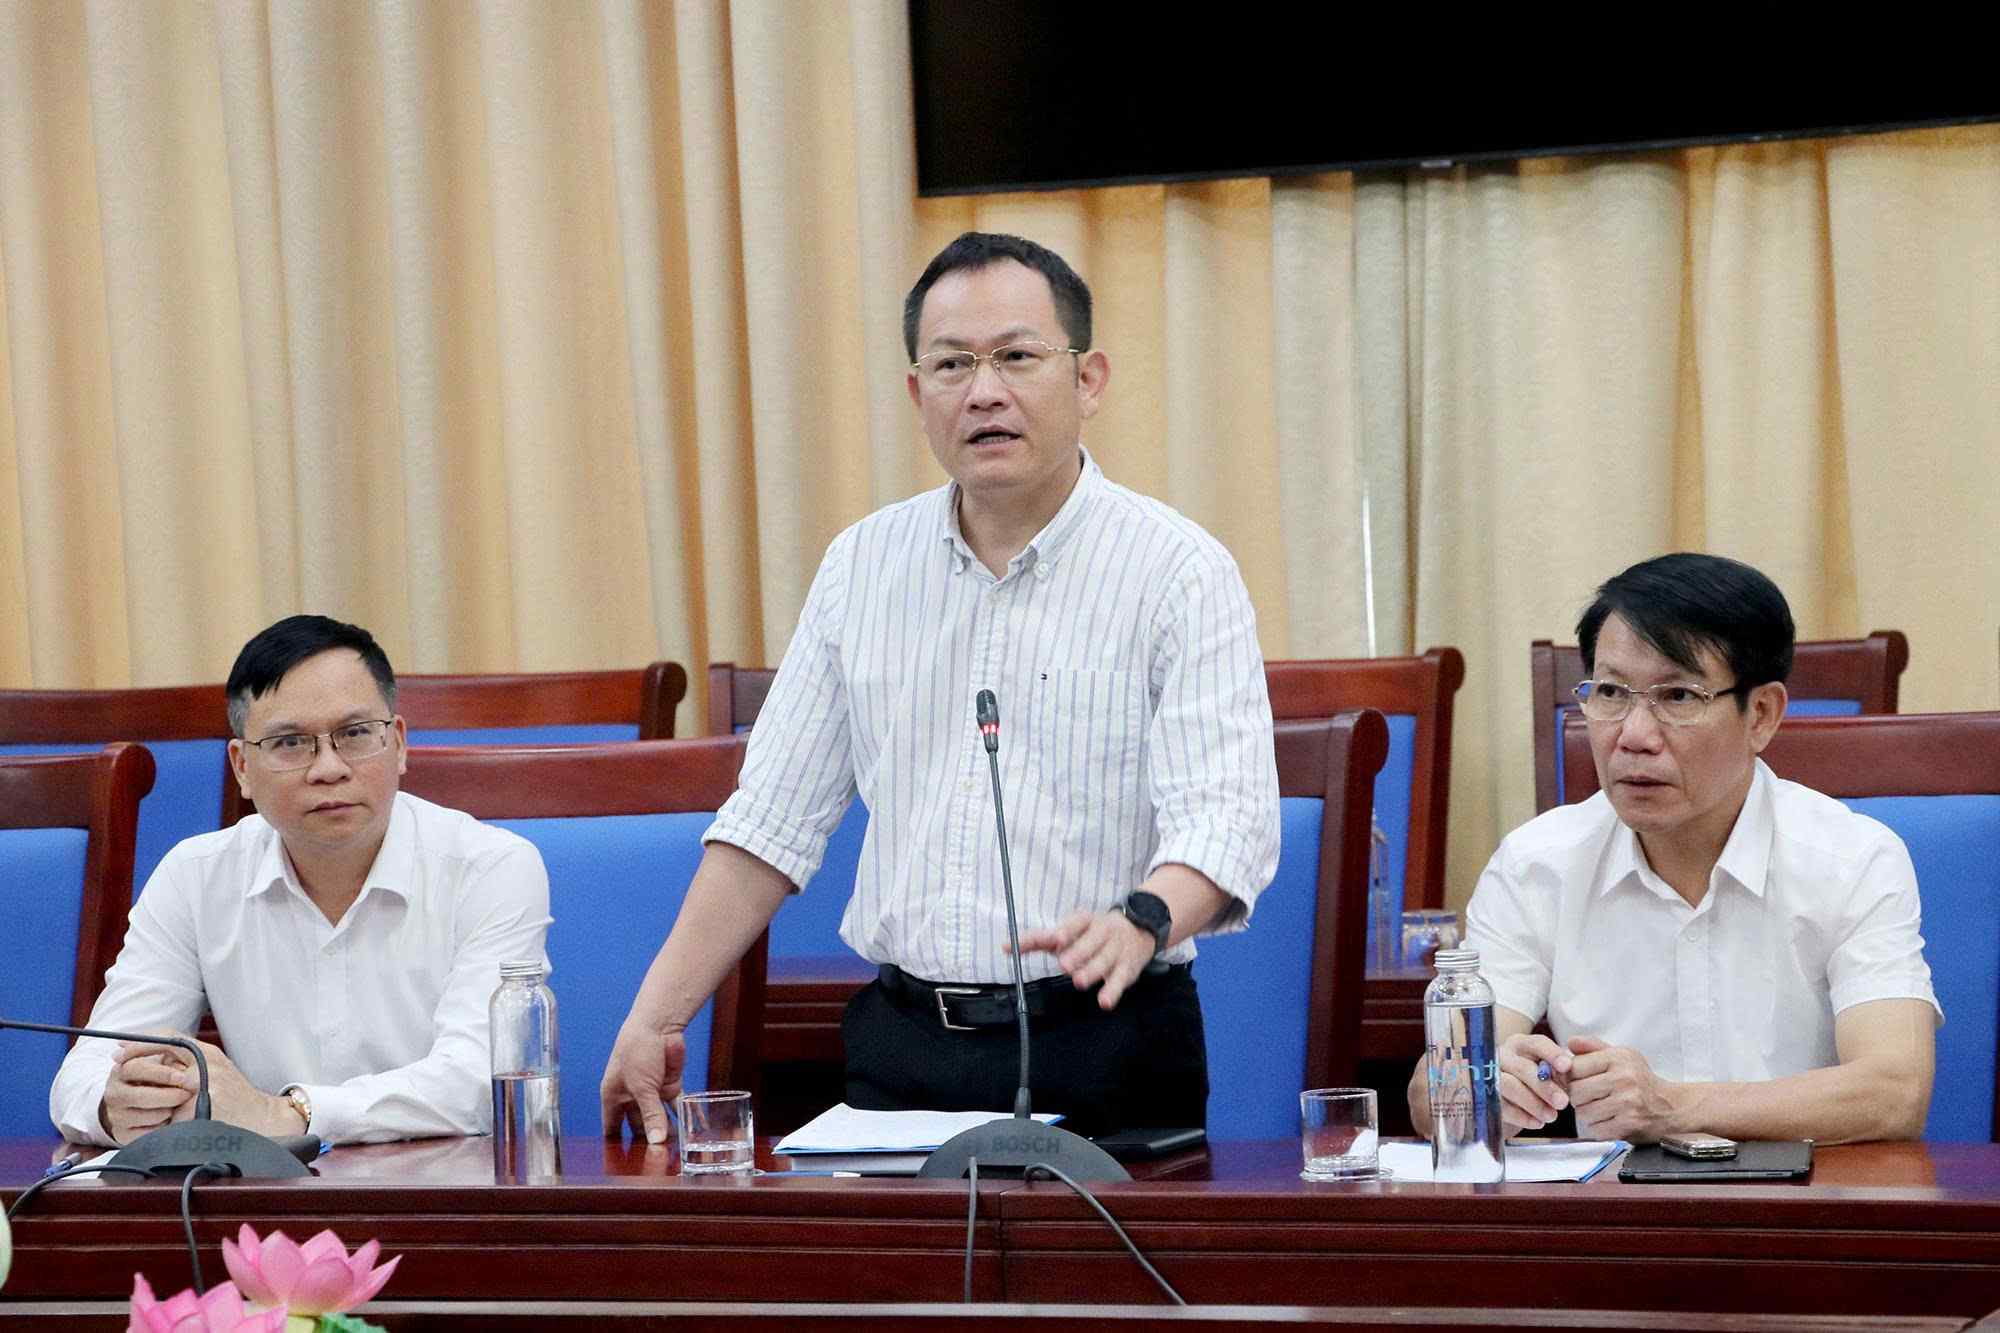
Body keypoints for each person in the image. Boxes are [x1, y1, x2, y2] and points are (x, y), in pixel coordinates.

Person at [602, 232, 1281, 1141]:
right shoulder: (862, 567)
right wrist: (655, 1016)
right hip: (904, 1051)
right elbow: (768, 824)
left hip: (1106, 1041)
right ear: (918, 394)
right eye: (953, 364)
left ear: (1088, 380)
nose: (984, 391)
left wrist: (1141, 919)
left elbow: (1227, 819)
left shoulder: (1178, 572)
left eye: (1016, 357)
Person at [1408, 553, 1938, 1146]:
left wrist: (1673, 1107)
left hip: (1804, 1195)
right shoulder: (1536, 864)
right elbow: (1433, 1093)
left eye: (1680, 696)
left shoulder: (1853, 859)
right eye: (1611, 692)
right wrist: (1484, 1089)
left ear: (1761, 716)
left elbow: (1895, 1092)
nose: (1634, 736)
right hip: (1614, 1203)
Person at [50, 615, 551, 1147]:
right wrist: (118, 1104)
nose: (328, 769)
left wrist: (289, 1114)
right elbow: (84, 1074)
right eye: (290, 742)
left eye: (355, 734)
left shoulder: (492, 867)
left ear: (399, 743)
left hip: (449, 1185)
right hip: (267, 1189)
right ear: (243, 768)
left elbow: (481, 1077)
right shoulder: (194, 877)